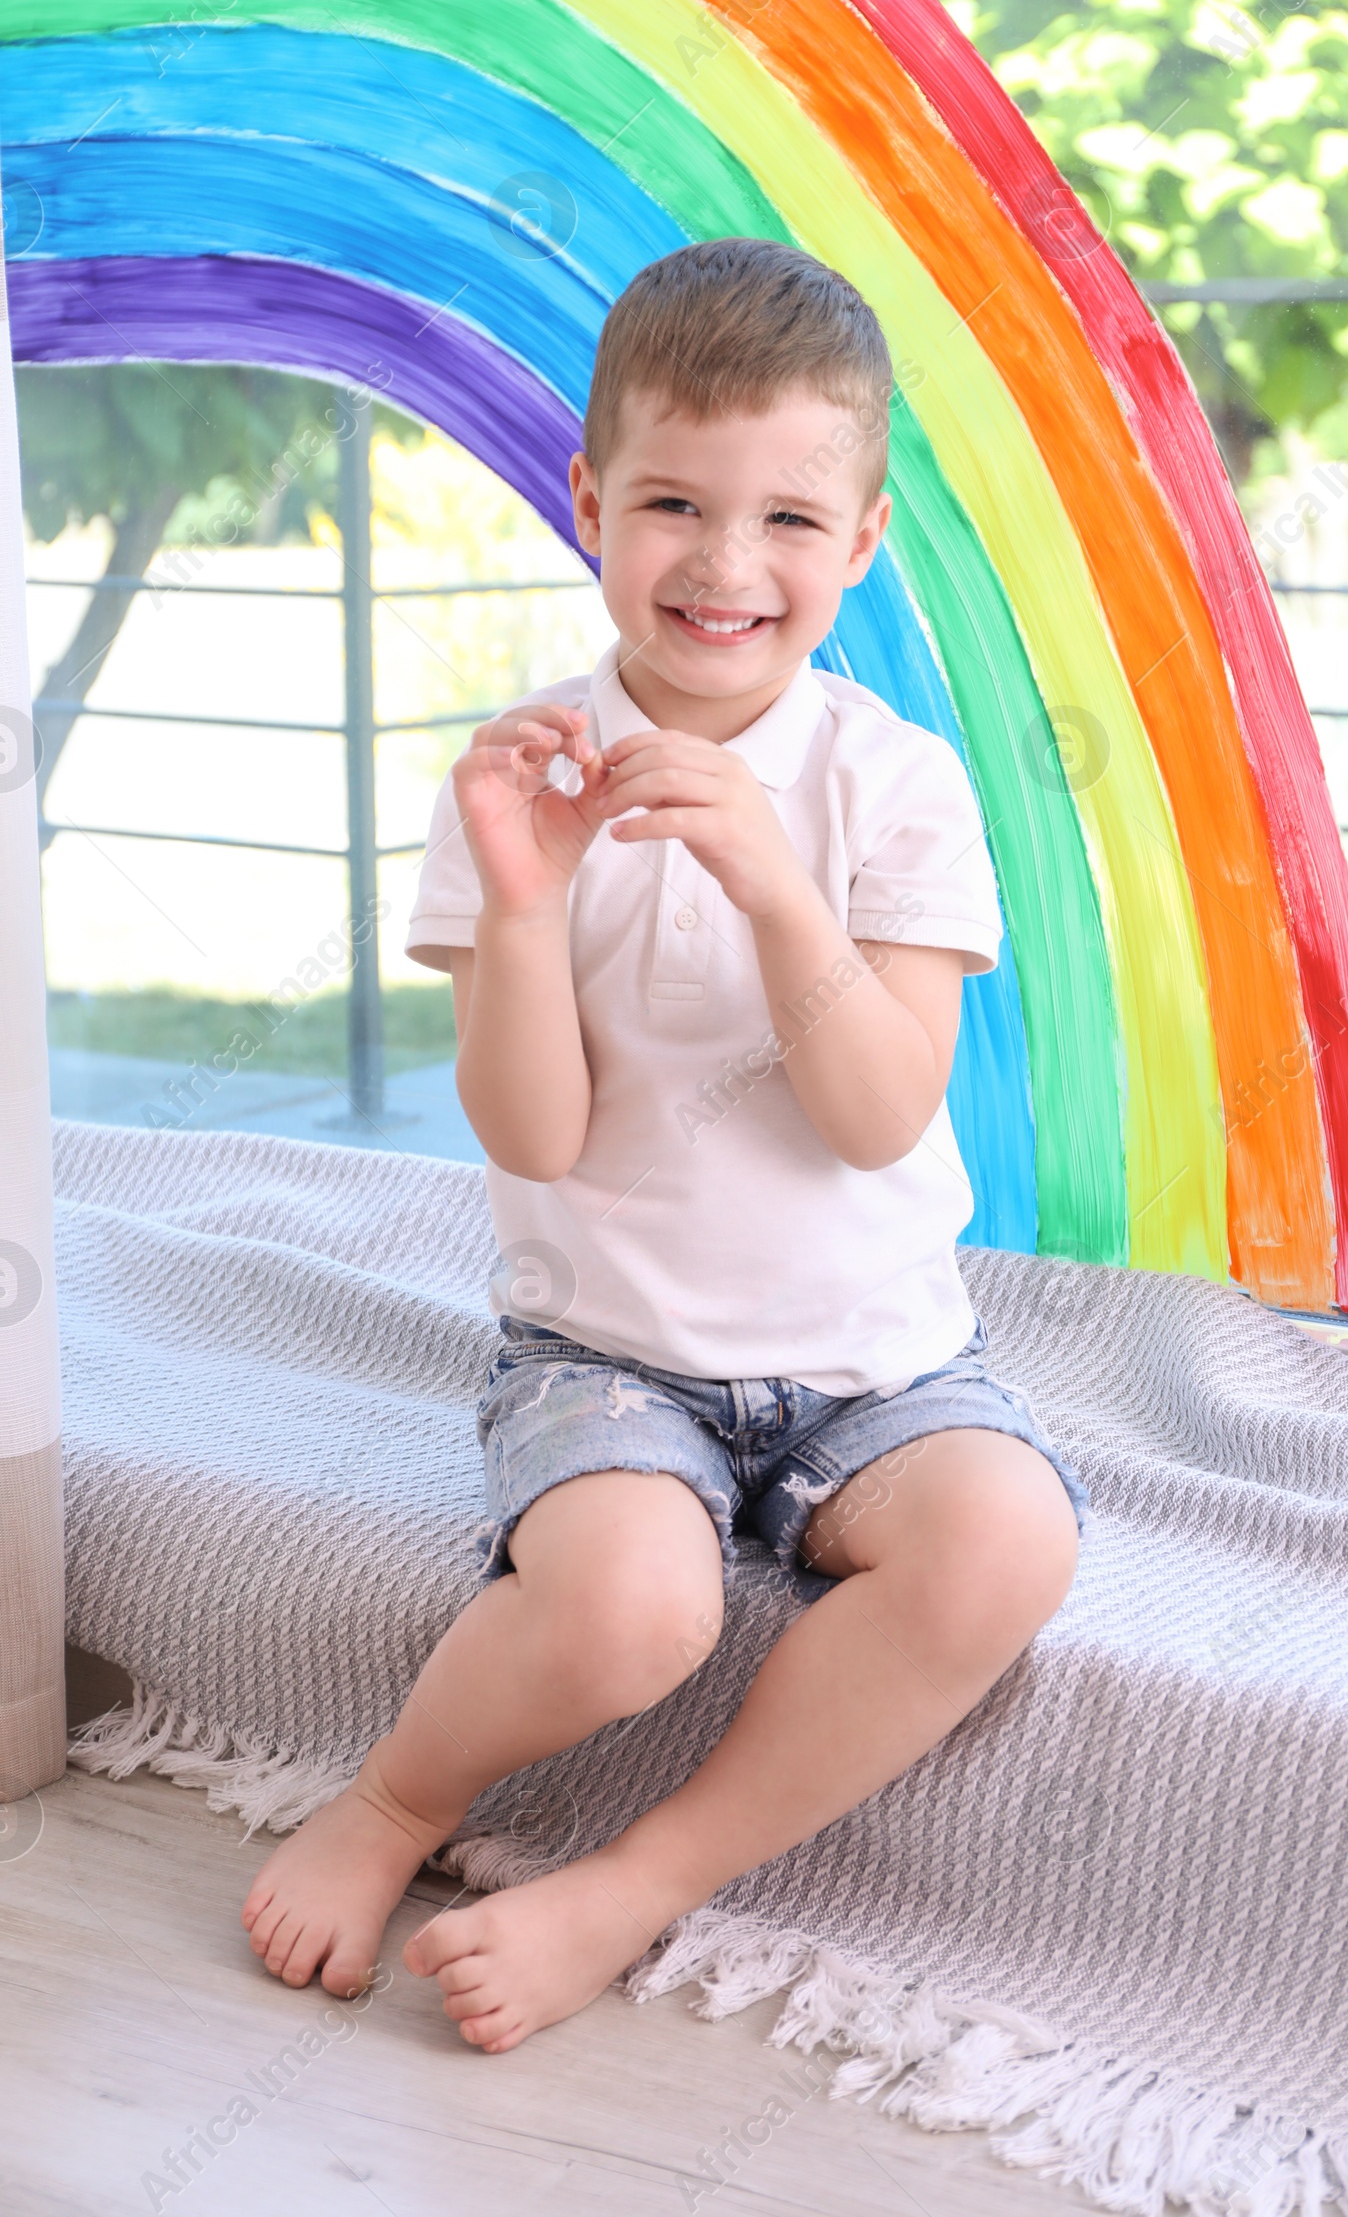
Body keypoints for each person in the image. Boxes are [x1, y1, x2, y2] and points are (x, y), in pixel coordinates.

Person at [241, 237, 1091, 2052]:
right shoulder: (517, 780)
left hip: (879, 1370)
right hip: (609, 1359)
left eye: (790, 519)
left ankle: (633, 1886)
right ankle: (398, 1801)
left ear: (860, 543)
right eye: (675, 504)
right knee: (635, 1613)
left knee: (1007, 1543)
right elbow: (534, 1133)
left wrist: (781, 889)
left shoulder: (895, 790)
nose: (725, 563)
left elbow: (875, 1116)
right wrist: (529, 907)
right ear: (592, 504)